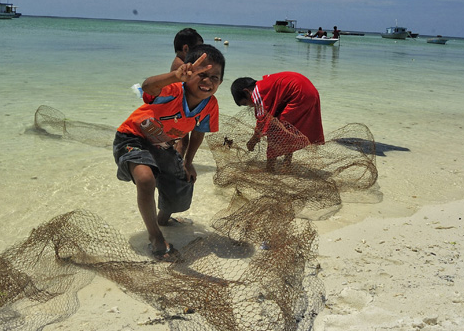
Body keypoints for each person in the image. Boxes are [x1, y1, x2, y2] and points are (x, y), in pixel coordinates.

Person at [114, 44, 224, 261]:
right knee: (146, 180)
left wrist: (189, 162)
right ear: (189, 72)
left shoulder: (210, 105)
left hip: (162, 144)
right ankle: (155, 237)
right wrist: (174, 76)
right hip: (132, 137)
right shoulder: (173, 90)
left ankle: (163, 219)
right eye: (202, 74)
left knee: (180, 187)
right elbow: (147, 87)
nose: (208, 81)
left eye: (215, 77)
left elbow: (198, 133)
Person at [231, 72, 324, 169]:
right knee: (287, 128)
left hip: (299, 93)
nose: (250, 106)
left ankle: (270, 168)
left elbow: (262, 122)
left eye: (246, 103)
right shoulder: (264, 85)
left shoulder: (257, 93)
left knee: (274, 129)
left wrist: (253, 141)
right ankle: (287, 163)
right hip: (310, 91)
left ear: (247, 91)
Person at [170, 28, 204, 155]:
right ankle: (178, 166)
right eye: (199, 48)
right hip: (180, 110)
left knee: (180, 140)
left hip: (179, 109)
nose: (201, 53)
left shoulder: (180, 63)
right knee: (182, 142)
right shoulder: (180, 66)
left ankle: (176, 164)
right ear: (186, 49)